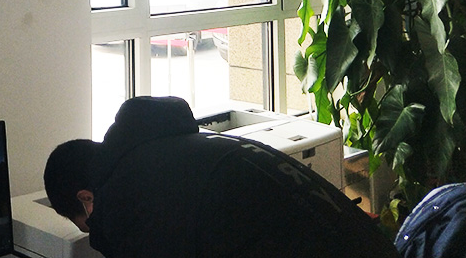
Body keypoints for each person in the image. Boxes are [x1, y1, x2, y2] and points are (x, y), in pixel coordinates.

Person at [43, 96, 398, 258]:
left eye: (86, 223)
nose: (94, 228)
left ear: (86, 199)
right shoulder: (188, 147)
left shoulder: (123, 201)